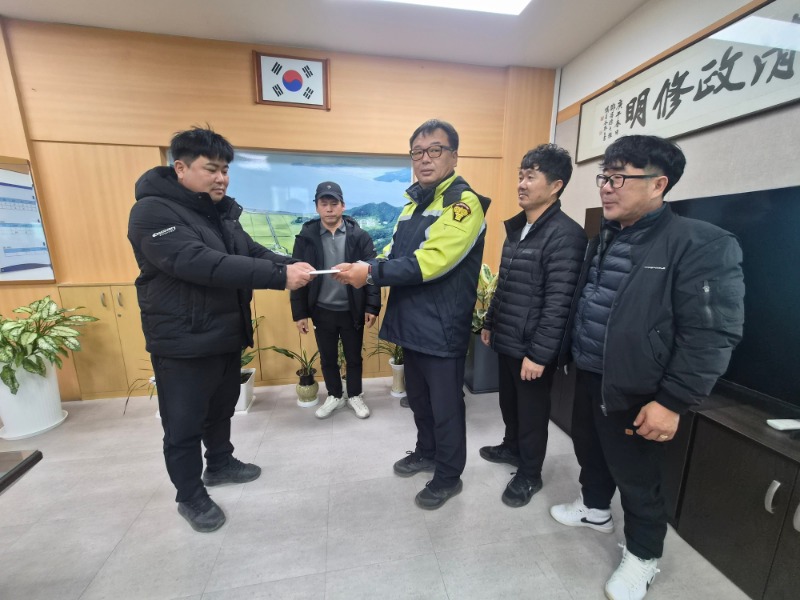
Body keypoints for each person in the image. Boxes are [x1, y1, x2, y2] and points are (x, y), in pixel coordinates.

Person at [549, 135, 744, 600]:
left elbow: (711, 333)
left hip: (641, 387)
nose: (606, 187)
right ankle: (595, 509)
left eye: (619, 178)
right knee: (591, 451)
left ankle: (643, 556)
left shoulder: (700, 243)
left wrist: (672, 402)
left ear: (659, 184)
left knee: (638, 479)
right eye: (604, 176)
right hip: (592, 372)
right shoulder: (605, 236)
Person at [128, 127, 314, 533]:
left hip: (224, 333)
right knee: (183, 424)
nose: (221, 178)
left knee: (221, 408)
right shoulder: (152, 212)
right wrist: (279, 276)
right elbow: (198, 262)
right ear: (181, 168)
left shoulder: (219, 213)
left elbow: (252, 252)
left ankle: (220, 463)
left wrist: (299, 265)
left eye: (225, 170)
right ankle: (189, 495)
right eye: (211, 169)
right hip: (182, 341)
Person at [333, 119, 490, 510]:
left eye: (435, 150)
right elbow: (393, 254)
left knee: (446, 405)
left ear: (454, 155)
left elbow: (431, 261)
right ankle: (426, 452)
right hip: (412, 321)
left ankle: (449, 475)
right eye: (417, 152)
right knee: (418, 398)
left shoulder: (462, 203)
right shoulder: (412, 204)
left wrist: (369, 273)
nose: (425, 159)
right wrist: (366, 265)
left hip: (442, 325)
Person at [480, 144, 586, 508]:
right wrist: (490, 321)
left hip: (532, 347)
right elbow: (505, 283)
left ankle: (529, 474)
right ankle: (511, 447)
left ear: (556, 186)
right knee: (509, 403)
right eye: (521, 176)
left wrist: (539, 355)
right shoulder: (519, 228)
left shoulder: (566, 235)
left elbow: (560, 303)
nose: (522, 184)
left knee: (532, 413)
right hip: (508, 336)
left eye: (531, 177)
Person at [290, 181, 381, 419]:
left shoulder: (359, 236)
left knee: (353, 357)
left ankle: (355, 395)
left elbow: (371, 272)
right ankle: (334, 395)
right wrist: (300, 313)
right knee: (328, 357)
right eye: (324, 204)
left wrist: (372, 306)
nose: (329, 209)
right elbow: (298, 276)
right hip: (322, 309)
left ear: (343, 206)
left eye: (334, 203)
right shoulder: (306, 238)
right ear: (317, 207)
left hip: (352, 309)